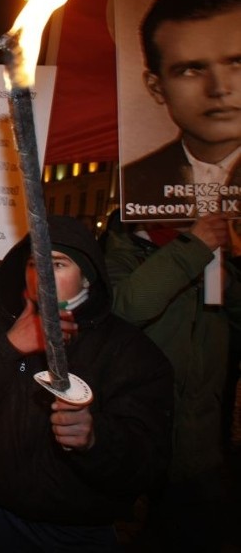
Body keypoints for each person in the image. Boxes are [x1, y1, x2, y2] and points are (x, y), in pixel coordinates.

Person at [0, 215, 174, 551]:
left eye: (58, 264)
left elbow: (148, 461)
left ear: (88, 278)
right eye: (34, 264)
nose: (42, 276)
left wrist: (95, 439)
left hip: (77, 533)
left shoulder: (129, 351)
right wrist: (9, 347)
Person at [104, 212, 241, 551]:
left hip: (200, 436)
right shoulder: (123, 248)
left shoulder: (216, 259)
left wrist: (229, 285)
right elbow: (128, 308)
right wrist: (192, 246)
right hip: (143, 427)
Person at [121, 0, 241, 222]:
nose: (219, 88)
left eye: (238, 64)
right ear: (156, 87)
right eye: (191, 70)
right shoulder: (135, 182)